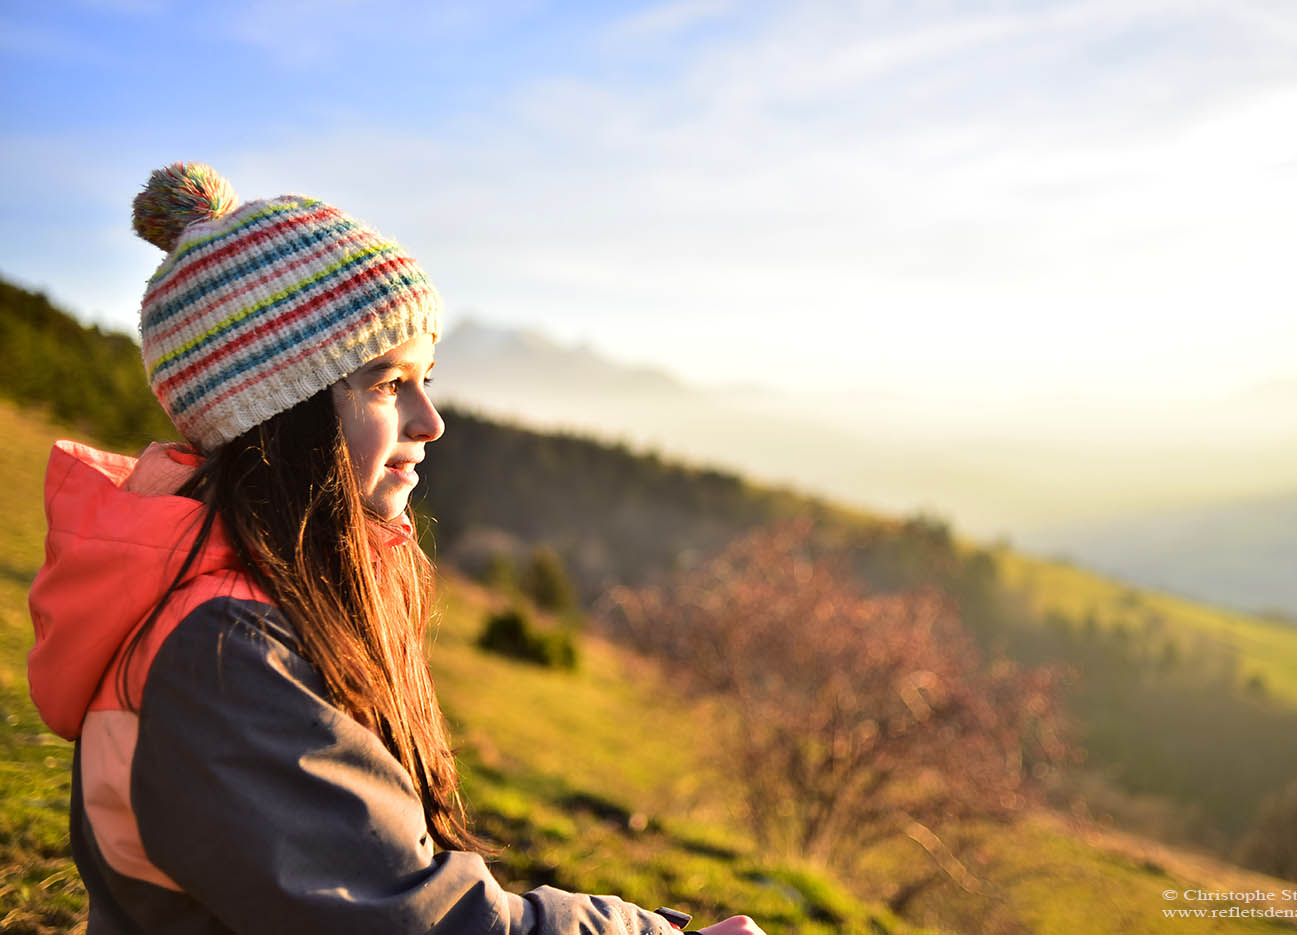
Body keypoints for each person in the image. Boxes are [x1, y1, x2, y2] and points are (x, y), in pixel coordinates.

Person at [27, 162, 765, 935]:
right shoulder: (227, 652)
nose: (429, 420)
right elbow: (413, 921)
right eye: (386, 383)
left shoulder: (274, 600)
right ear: (275, 410)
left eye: (427, 378)